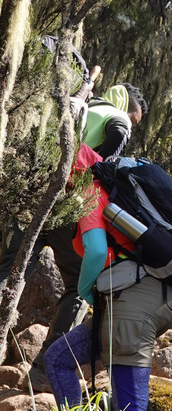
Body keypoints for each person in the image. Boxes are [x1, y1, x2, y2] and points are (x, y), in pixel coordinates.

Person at [9, 81, 148, 391]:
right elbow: (102, 167)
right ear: (128, 107)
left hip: (32, 193)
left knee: (9, 268)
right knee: (78, 285)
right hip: (69, 207)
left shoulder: (83, 106)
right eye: (136, 118)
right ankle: (45, 369)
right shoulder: (119, 119)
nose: (132, 126)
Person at [44, 145, 172, 411]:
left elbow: (95, 250)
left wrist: (84, 290)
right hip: (148, 298)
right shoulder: (115, 188)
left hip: (132, 308)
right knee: (58, 359)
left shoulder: (90, 190)